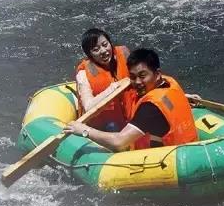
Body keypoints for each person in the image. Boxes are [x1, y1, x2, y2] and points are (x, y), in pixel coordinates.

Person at [65, 48, 198, 151]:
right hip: (187, 149)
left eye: (142, 76)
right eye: (133, 77)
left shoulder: (150, 108)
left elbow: (119, 142)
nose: (137, 82)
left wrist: (83, 130)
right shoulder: (169, 83)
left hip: (169, 162)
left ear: (157, 74)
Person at [75, 28, 130, 132]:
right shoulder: (83, 74)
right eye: (96, 49)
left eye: (105, 45)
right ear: (89, 54)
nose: (104, 51)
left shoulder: (124, 54)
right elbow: (88, 107)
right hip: (104, 127)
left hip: (129, 118)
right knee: (112, 126)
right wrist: (113, 88)